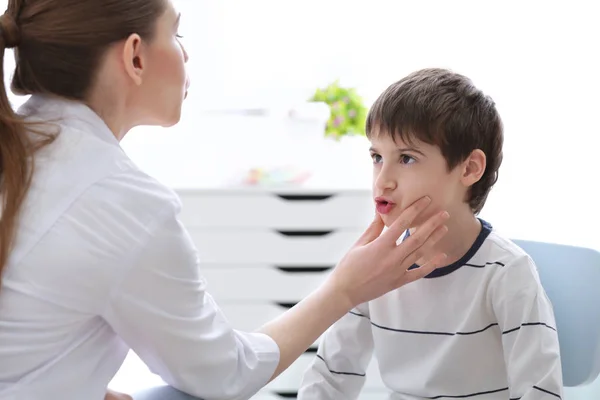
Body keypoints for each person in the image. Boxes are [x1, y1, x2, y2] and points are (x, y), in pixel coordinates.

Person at [0, 1, 451, 399]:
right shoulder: (122, 204)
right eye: (175, 33)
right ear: (135, 56)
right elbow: (224, 375)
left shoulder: (25, 153)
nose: (186, 51)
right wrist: (344, 290)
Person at [297, 68, 564, 400]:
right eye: (377, 157)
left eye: (406, 158)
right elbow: (330, 378)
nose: (383, 181)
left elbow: (541, 391)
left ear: (469, 168)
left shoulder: (507, 273)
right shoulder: (374, 270)